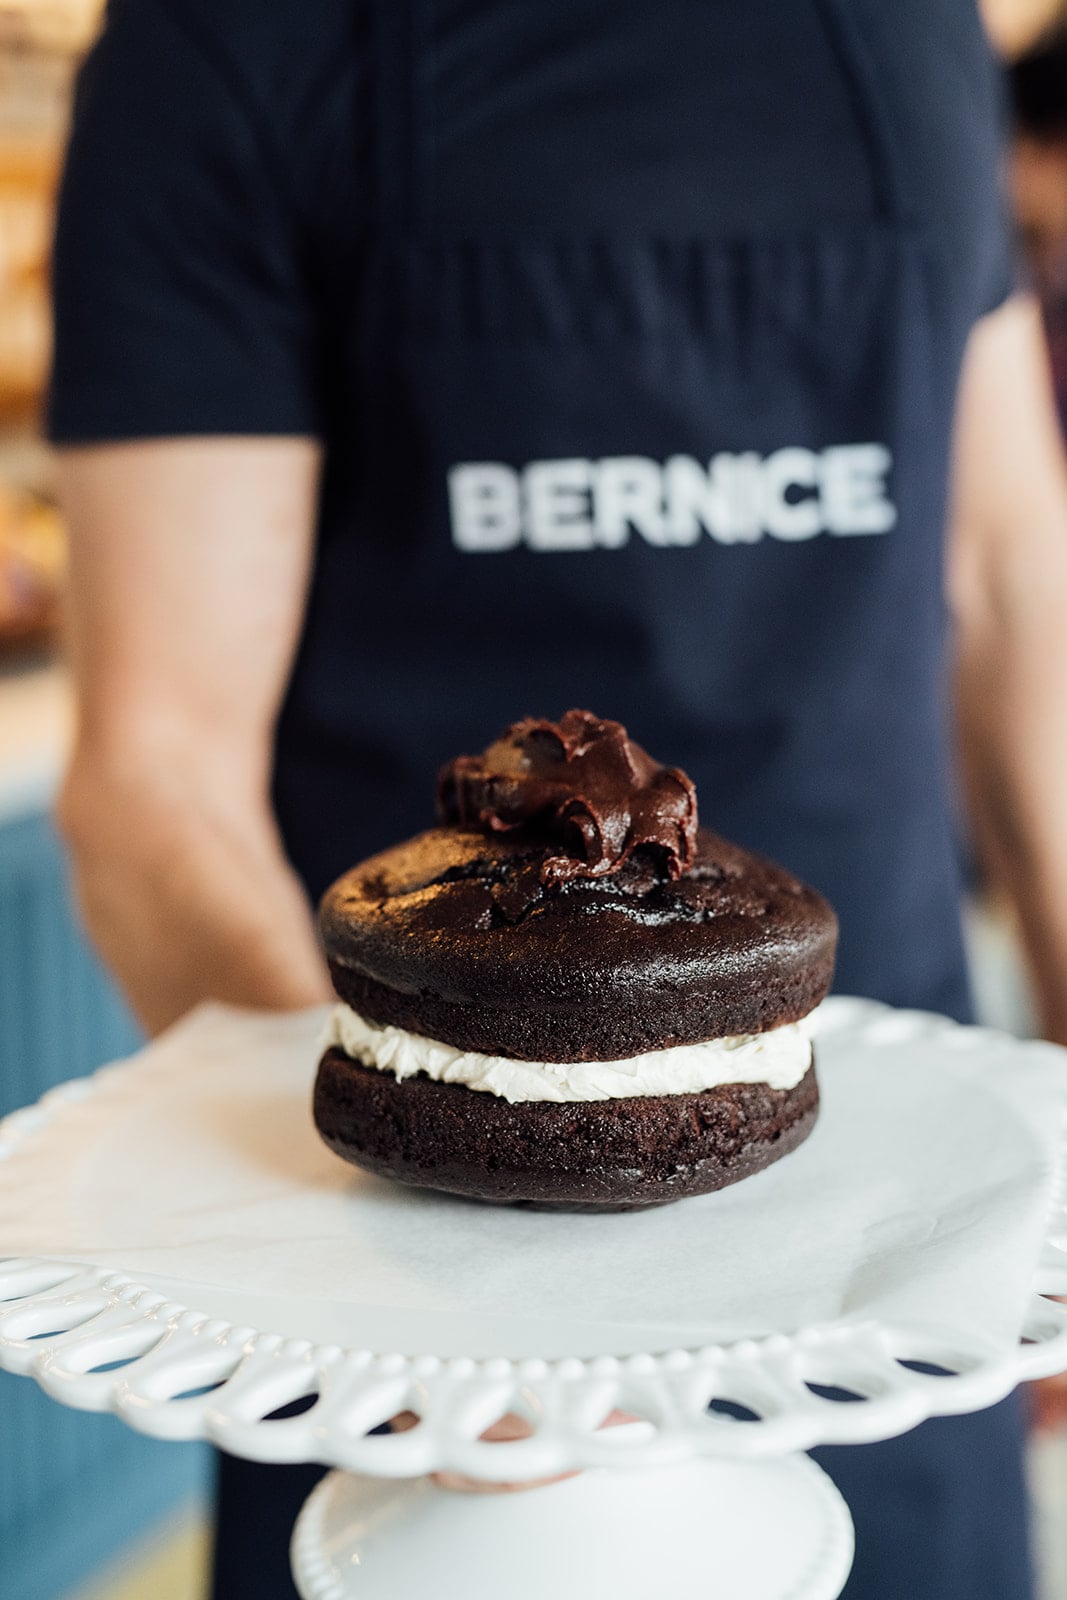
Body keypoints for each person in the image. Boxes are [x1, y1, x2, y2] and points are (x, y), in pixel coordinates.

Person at [47, 2, 1067, 1597]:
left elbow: (1016, 586)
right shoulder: (223, 45)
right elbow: (151, 772)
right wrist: (408, 1321)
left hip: (886, 1227)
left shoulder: (914, 27)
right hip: (414, 1281)